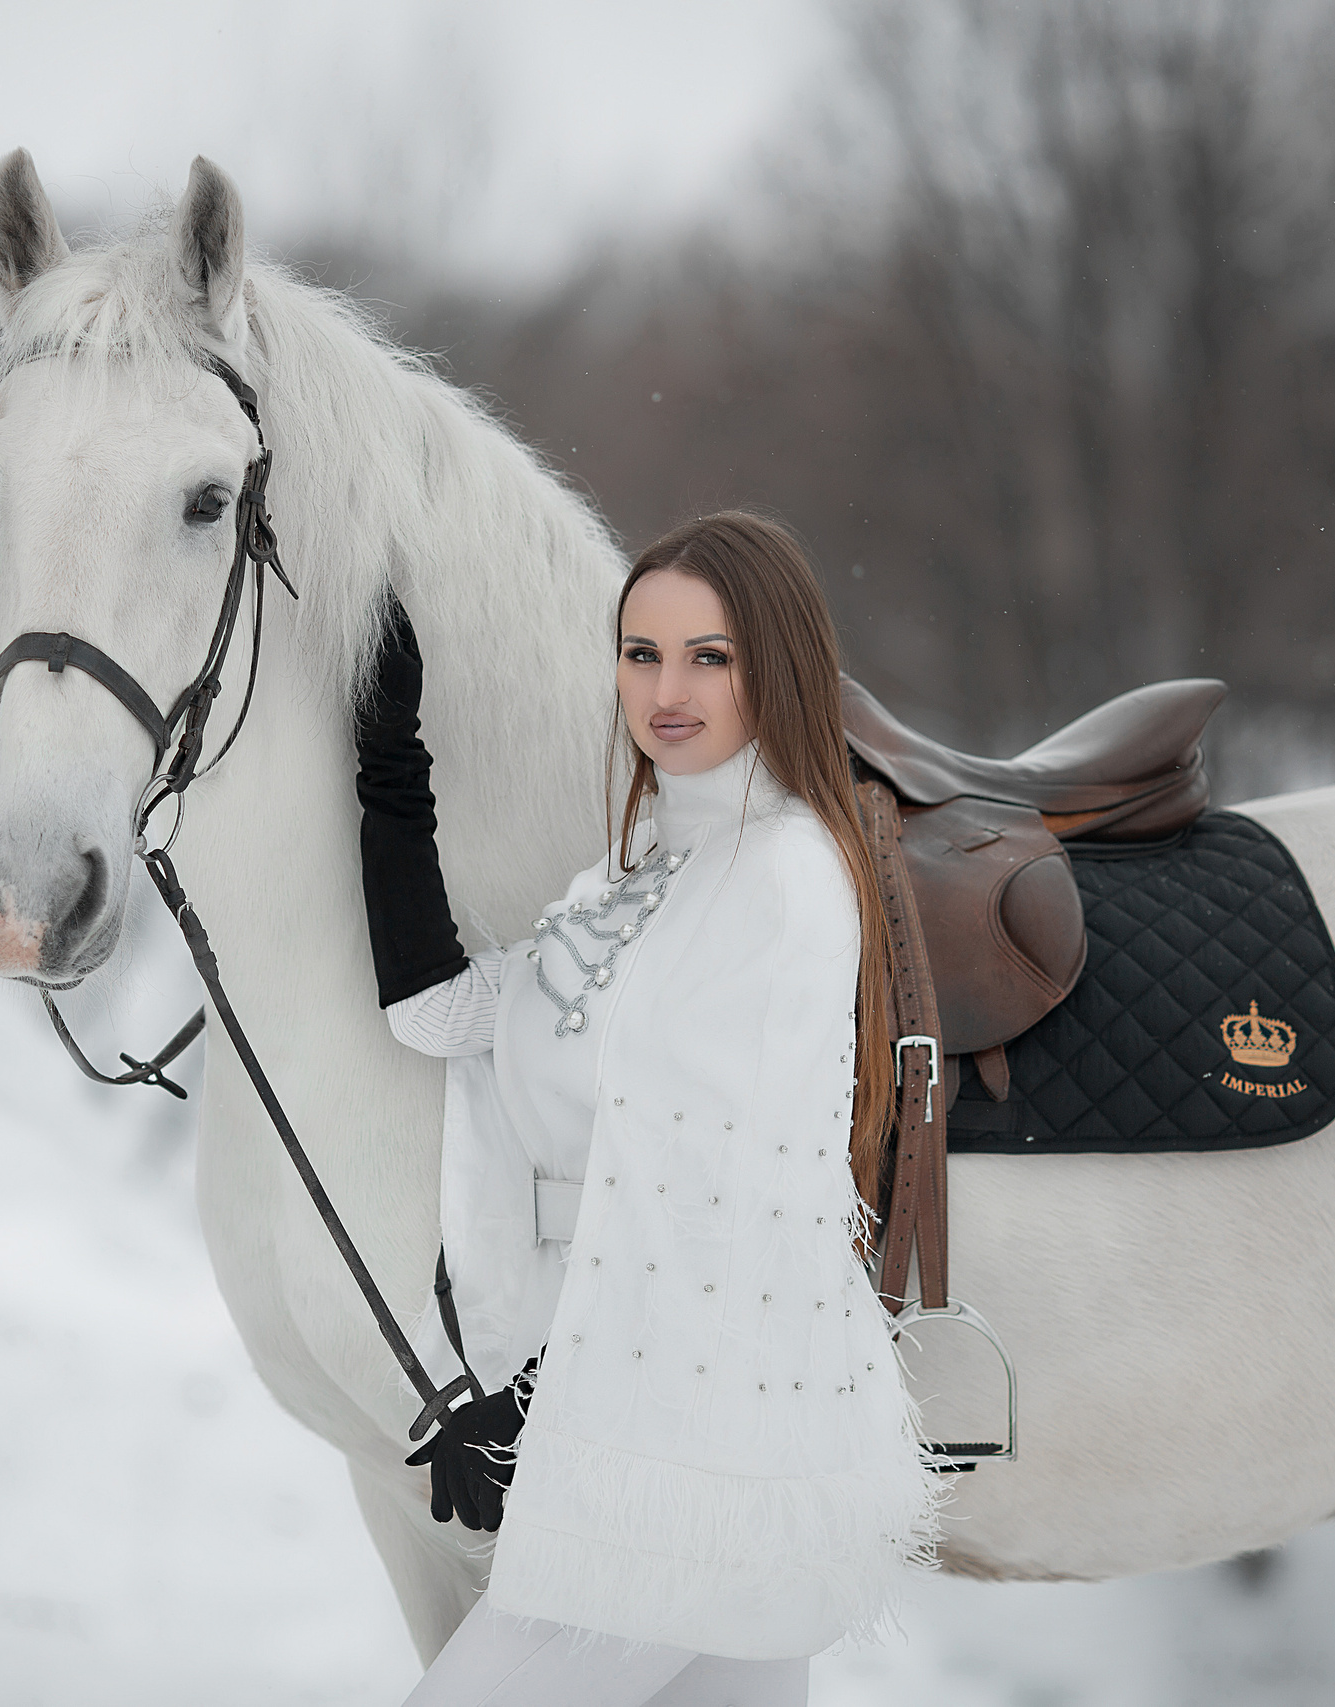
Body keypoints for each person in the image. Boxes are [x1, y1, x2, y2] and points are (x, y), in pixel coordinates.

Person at [354, 511, 941, 1707]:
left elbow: (713, 1203)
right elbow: (444, 1020)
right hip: (643, 1426)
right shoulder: (627, 879)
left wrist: (527, 1402)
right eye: (641, 653)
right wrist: (388, 770)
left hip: (691, 1451)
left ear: (774, 665)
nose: (666, 691)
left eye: (708, 658)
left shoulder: (782, 879)